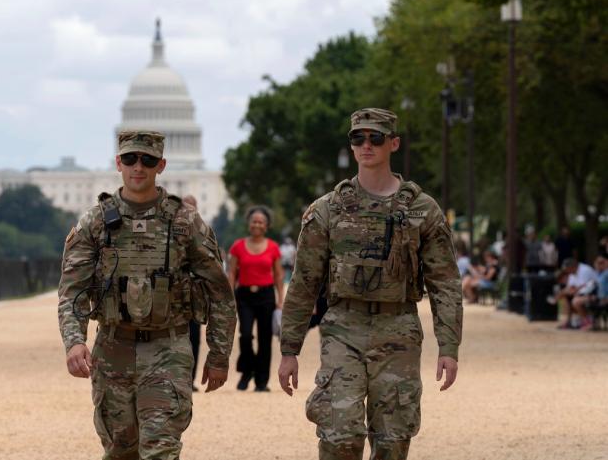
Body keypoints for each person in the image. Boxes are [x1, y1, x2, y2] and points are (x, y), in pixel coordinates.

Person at [278, 108, 462, 460]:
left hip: (399, 328)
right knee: (339, 435)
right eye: (358, 138)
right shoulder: (327, 210)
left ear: (393, 143)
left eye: (375, 138)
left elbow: (446, 284)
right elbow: (304, 283)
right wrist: (290, 350)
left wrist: (449, 347)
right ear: (351, 146)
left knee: (393, 441)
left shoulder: (422, 209)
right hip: (343, 328)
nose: (366, 145)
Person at [57, 130, 237, 459]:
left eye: (147, 160)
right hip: (114, 349)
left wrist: (219, 354)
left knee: (161, 449)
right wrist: (74, 341)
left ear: (161, 165)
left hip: (168, 348)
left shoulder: (186, 222)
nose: (138, 167)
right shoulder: (95, 222)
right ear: (118, 163)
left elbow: (220, 294)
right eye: (130, 159)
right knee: (120, 449)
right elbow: (73, 292)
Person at [228, 206, 283, 392]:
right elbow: (231, 274)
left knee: (265, 339)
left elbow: (278, 275)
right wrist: (229, 297)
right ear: (248, 223)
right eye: (254, 221)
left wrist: (280, 299)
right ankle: (246, 371)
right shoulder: (237, 246)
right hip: (244, 296)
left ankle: (262, 381)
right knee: (244, 335)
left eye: (260, 222)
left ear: (266, 226)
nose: (257, 224)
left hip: (266, 296)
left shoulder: (273, 247)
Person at [182, 194, 202, 391]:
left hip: (195, 297)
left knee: (194, 339)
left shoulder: (203, 233)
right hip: (174, 297)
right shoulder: (172, 231)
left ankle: (191, 379)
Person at [555, 258, 598, 329]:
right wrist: (561, 293)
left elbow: (584, 287)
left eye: (567, 269)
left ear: (572, 266)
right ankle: (569, 321)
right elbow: (570, 287)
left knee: (575, 301)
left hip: (594, 294)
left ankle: (587, 321)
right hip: (583, 294)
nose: (566, 271)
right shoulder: (572, 273)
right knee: (565, 298)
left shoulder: (585, 270)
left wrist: (571, 291)